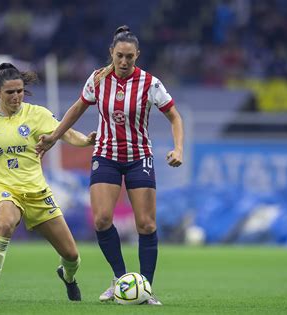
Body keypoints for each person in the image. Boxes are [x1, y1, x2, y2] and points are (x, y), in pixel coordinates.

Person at [36, 25, 184, 305]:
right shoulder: (98, 79)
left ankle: (145, 289)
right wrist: (55, 137)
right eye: (120, 56)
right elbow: (77, 108)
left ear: (138, 55)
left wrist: (178, 149)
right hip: (105, 155)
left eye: (130, 56)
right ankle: (120, 280)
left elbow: (175, 117)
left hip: (139, 156)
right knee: (102, 219)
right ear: (111, 54)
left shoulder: (150, 83)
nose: (125, 62)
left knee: (146, 224)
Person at [0, 63, 96, 302]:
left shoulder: (38, 114)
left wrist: (86, 140)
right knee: (5, 223)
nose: (16, 97)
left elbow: (66, 133)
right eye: (10, 92)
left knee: (72, 255)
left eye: (20, 91)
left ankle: (68, 277)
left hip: (37, 191)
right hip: (3, 188)